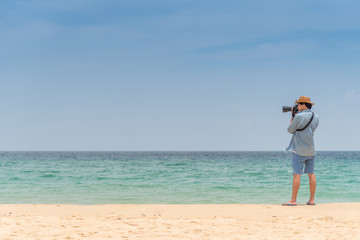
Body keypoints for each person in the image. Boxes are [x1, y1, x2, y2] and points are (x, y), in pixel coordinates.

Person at [282, 96, 319, 206]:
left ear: (303, 105)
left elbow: (290, 130)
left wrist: (293, 116)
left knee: (296, 175)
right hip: (311, 149)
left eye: (298, 104)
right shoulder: (316, 116)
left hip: (298, 150)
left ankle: (293, 200)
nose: (297, 106)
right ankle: (311, 200)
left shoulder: (298, 116)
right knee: (311, 174)